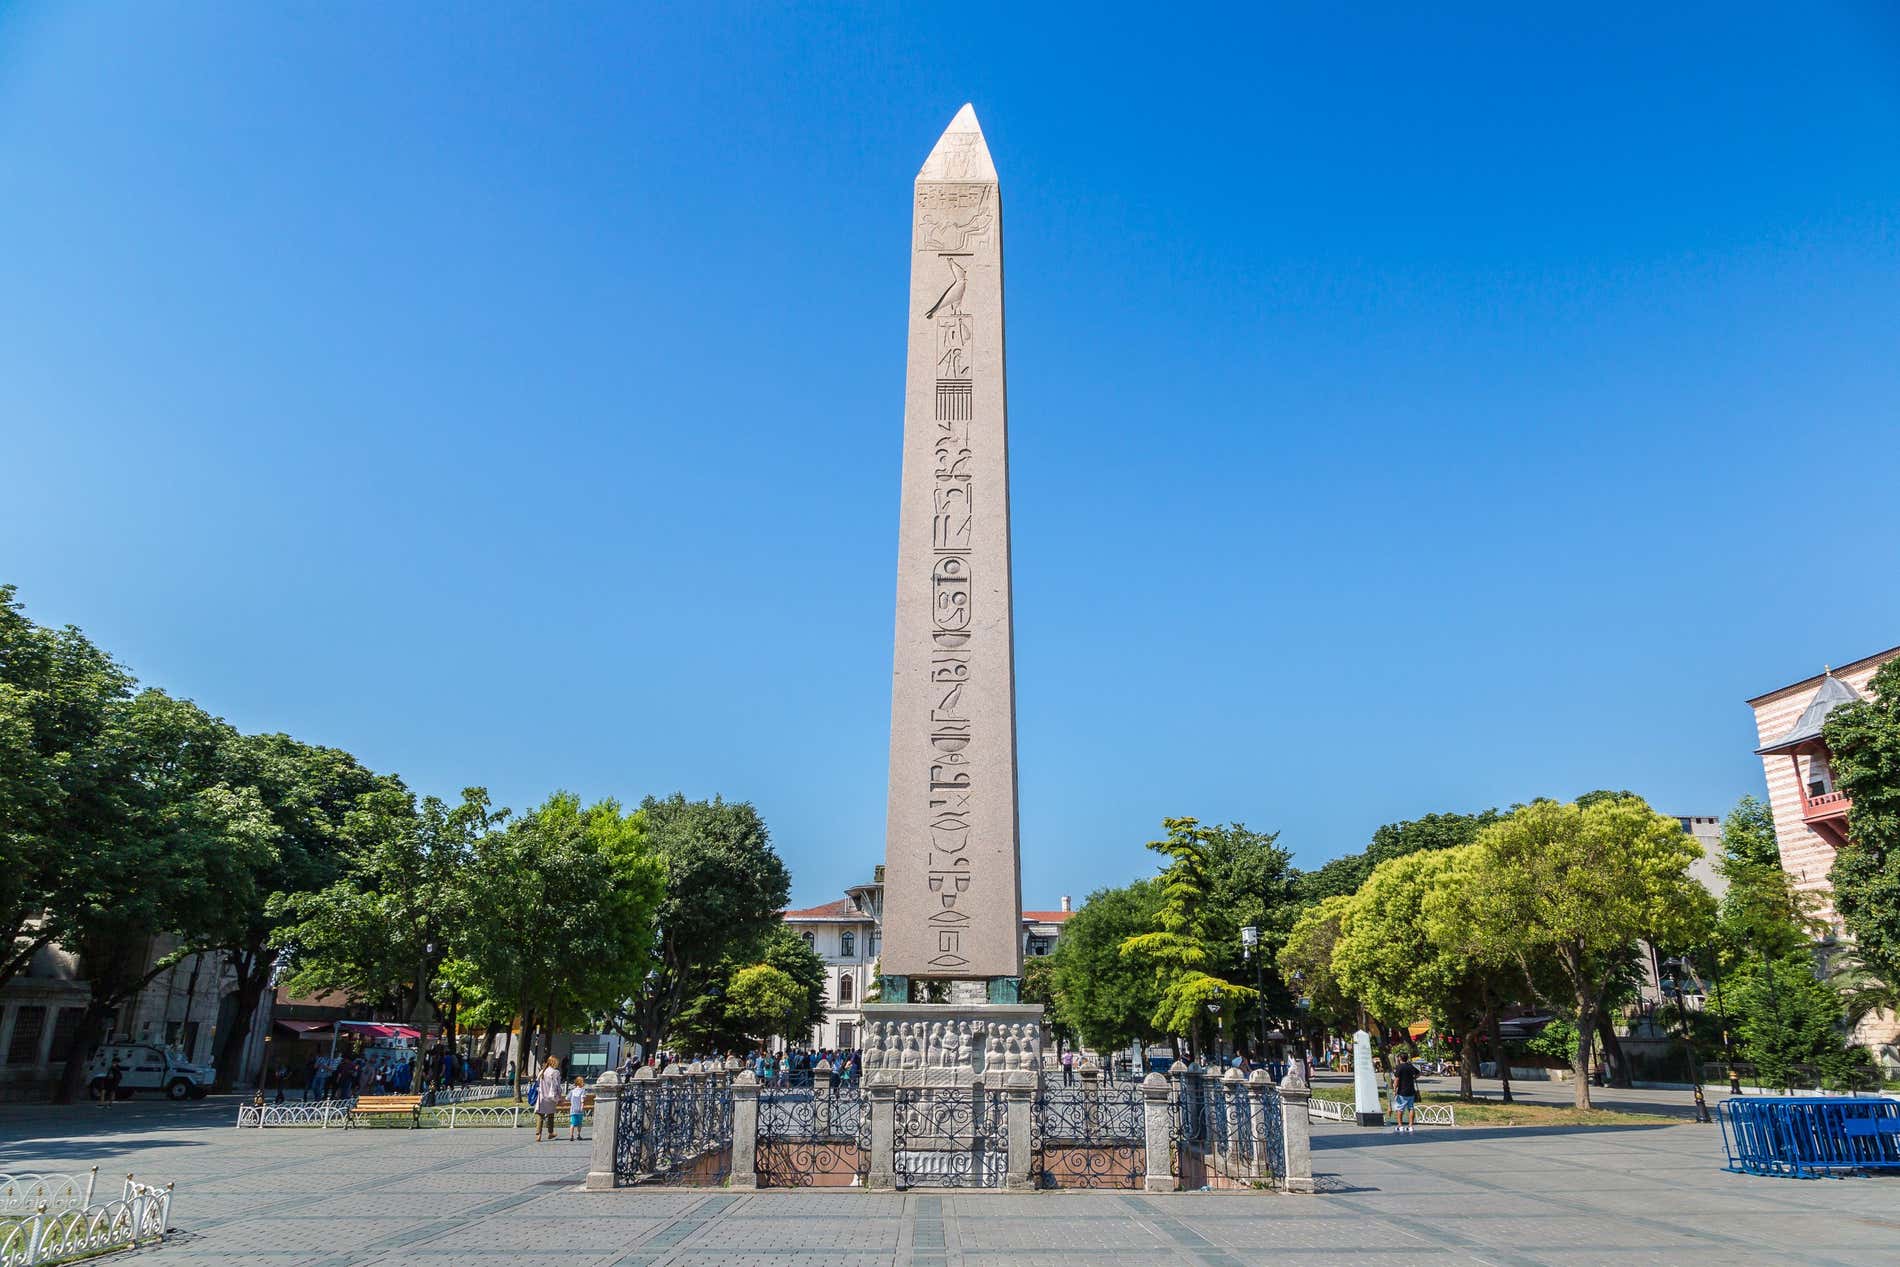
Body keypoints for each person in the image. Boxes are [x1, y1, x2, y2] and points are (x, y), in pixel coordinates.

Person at [1390, 1048, 1423, 1134]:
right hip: (1411, 1091)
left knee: (1400, 1109)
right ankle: (1410, 1126)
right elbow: (1419, 1073)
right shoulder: (1410, 1066)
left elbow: (1396, 1079)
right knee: (1411, 1108)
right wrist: (1413, 1078)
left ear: (1400, 1058)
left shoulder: (1399, 1067)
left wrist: (1394, 1089)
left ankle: (1400, 1126)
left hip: (1402, 1091)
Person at [534, 1056, 562, 1142]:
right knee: (550, 1115)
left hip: (542, 1097)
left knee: (540, 1115)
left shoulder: (543, 1071)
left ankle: (538, 1134)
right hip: (551, 1097)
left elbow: (537, 1082)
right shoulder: (555, 1072)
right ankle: (550, 1132)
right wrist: (559, 1096)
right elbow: (556, 1085)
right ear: (554, 1062)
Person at [568, 1076, 587, 1141]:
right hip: (579, 1109)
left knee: (572, 1123)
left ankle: (571, 1136)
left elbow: (567, 1098)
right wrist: (582, 1106)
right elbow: (582, 1100)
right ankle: (578, 1135)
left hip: (573, 1109)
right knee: (579, 1123)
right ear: (581, 1083)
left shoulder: (572, 1091)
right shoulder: (583, 1091)